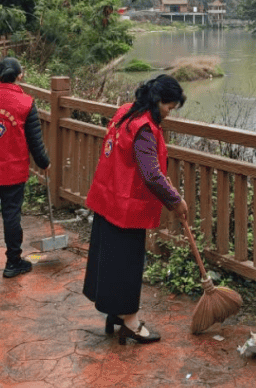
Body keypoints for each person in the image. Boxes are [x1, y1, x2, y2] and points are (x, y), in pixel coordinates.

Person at [83, 74, 189, 344]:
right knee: (128, 266)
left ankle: (115, 313)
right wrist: (175, 201)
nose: (169, 113)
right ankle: (130, 321)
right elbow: (151, 174)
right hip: (126, 207)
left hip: (108, 198)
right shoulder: (144, 128)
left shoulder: (126, 113)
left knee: (111, 262)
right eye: (169, 107)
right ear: (158, 100)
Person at [0, 56, 51, 278]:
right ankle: (13, 262)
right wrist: (44, 162)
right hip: (12, 171)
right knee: (12, 216)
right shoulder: (26, 103)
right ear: (20, 76)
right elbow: (35, 140)